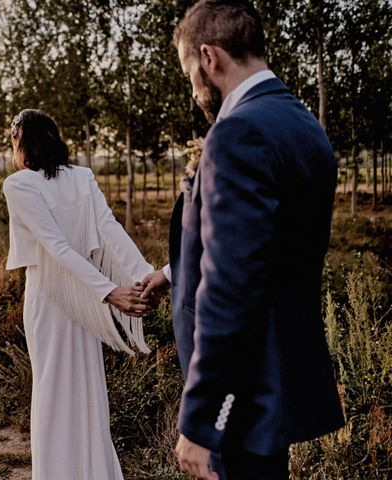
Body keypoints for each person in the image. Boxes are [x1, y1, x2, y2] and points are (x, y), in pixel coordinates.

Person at [141, 1, 345, 479]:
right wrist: (173, 273)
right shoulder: (303, 125)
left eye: (189, 71)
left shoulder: (237, 133)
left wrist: (202, 420)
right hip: (276, 384)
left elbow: (232, 288)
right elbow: (265, 246)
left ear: (210, 58)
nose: (193, 89)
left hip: (241, 393)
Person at [2, 109, 153, 480]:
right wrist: (125, 283)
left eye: (13, 139)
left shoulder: (19, 184)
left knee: (60, 392)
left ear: (23, 141)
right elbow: (107, 233)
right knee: (78, 390)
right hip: (88, 296)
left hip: (54, 299)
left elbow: (66, 245)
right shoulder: (80, 177)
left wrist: (141, 281)